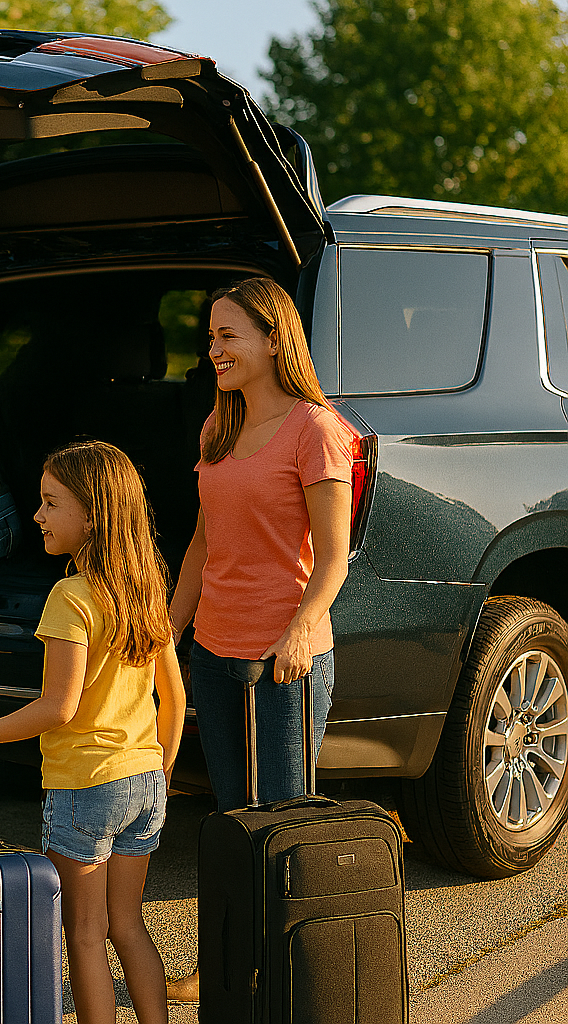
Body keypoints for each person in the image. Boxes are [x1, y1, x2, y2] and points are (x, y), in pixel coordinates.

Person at [0, 441, 187, 1024]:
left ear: (93, 515)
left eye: (51, 503)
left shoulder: (71, 597)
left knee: (82, 933)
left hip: (84, 787)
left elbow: (58, 707)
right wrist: (161, 770)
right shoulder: (146, 590)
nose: (37, 515)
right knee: (128, 924)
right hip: (143, 780)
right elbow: (174, 698)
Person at [165, 277, 355, 1004]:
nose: (213, 350)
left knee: (283, 826)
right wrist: (169, 629)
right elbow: (201, 544)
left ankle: (289, 973)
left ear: (274, 339)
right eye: (210, 337)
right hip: (215, 654)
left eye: (228, 336)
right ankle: (225, 963)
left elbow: (333, 555)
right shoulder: (217, 429)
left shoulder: (316, 430)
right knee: (230, 821)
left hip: (286, 661)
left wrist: (303, 628)